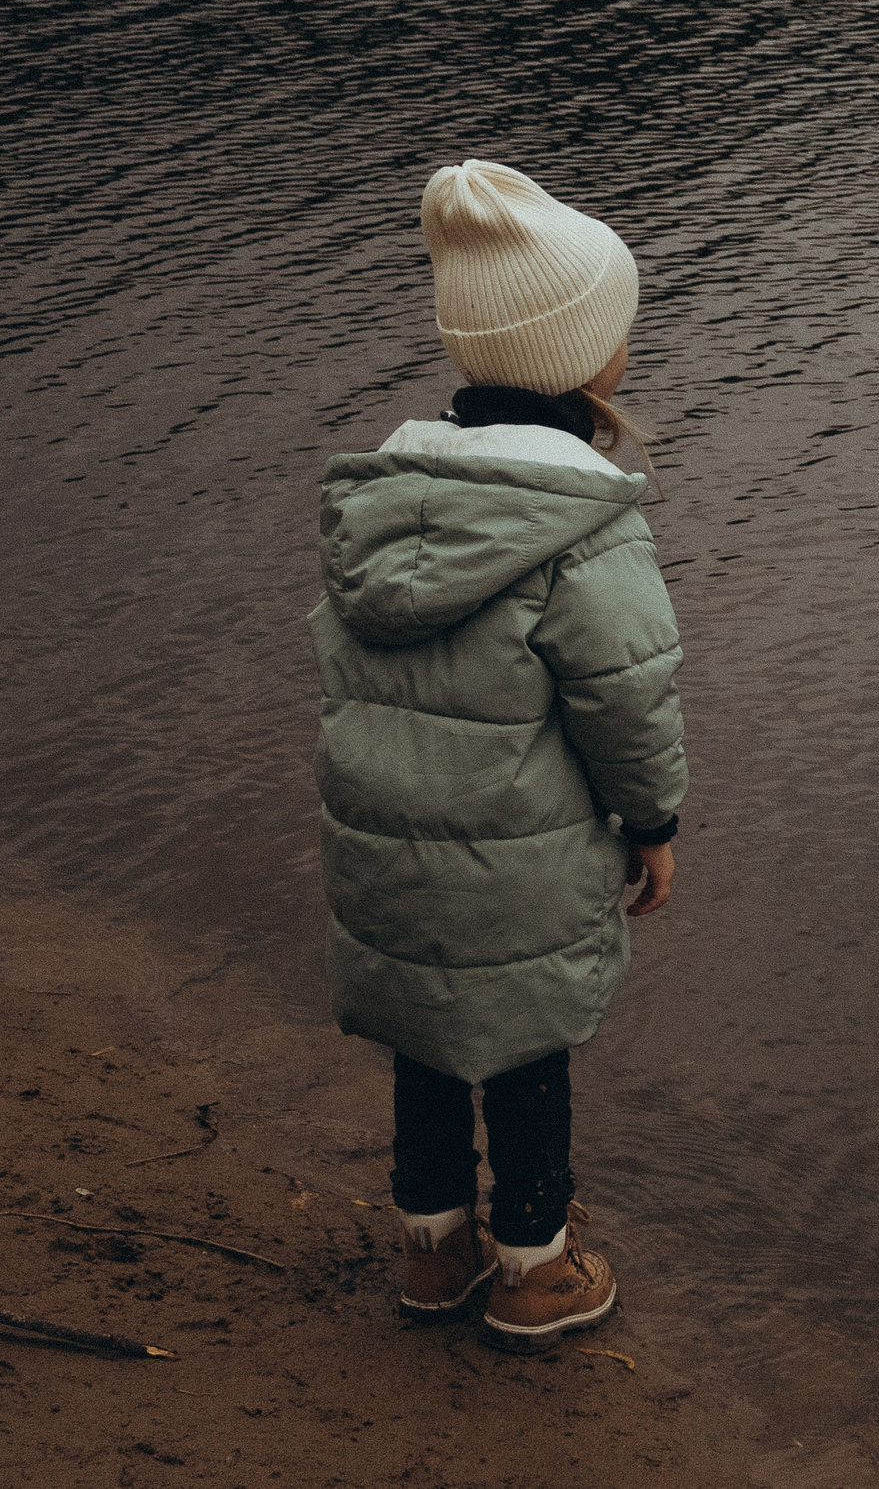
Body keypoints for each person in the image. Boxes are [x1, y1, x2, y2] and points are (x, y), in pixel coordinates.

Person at [307, 158, 687, 1352]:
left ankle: (432, 1251)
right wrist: (653, 823)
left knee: (425, 1047)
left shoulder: (386, 497)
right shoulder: (585, 526)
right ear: (583, 359)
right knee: (524, 1053)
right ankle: (533, 1266)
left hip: (387, 852)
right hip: (516, 866)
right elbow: (627, 699)